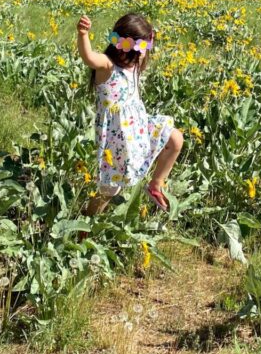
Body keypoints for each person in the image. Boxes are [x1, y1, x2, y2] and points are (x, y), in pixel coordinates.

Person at [76, 12, 184, 214]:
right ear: (119, 47)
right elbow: (89, 57)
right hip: (117, 141)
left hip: (139, 128)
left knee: (175, 139)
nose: (136, 60)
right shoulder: (107, 66)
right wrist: (83, 34)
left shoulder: (135, 64)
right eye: (133, 54)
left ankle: (156, 185)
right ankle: (86, 223)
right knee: (110, 189)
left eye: (141, 54)